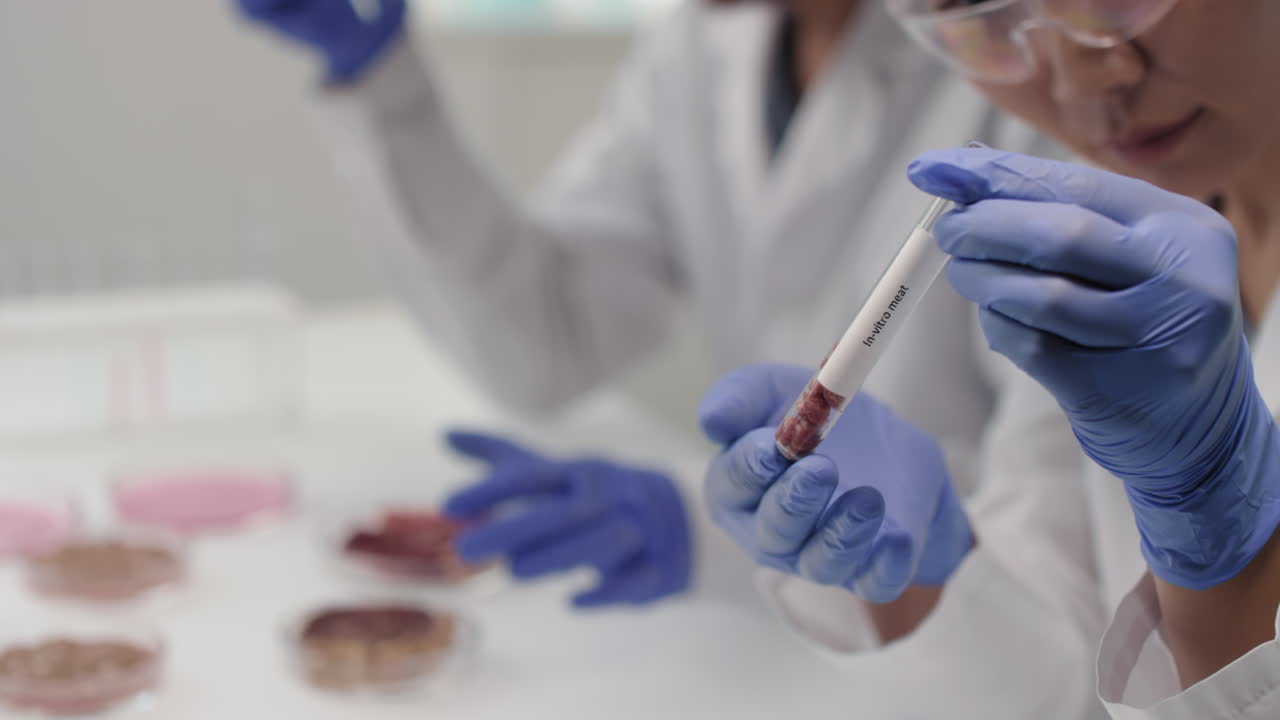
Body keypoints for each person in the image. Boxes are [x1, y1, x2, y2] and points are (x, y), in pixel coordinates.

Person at [232, 0, 1054, 608]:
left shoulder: (1037, 64)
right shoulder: (698, 46)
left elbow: (1061, 519)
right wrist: (381, 84)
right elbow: (549, 338)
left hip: (983, 653)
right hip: (791, 649)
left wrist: (718, 533)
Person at [701, 0, 1280, 717]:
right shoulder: (1098, 250)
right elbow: (1073, 676)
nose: (1077, 82)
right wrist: (929, 573)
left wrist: (1223, 547)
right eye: (980, 14)